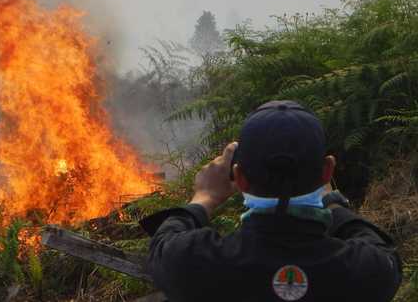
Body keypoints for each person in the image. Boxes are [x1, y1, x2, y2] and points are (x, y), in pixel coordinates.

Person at [140, 100, 402, 302]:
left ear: (239, 177)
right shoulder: (367, 270)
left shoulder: (195, 263)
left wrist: (205, 198)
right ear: (327, 171)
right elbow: (375, 244)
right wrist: (331, 202)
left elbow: (164, 244)